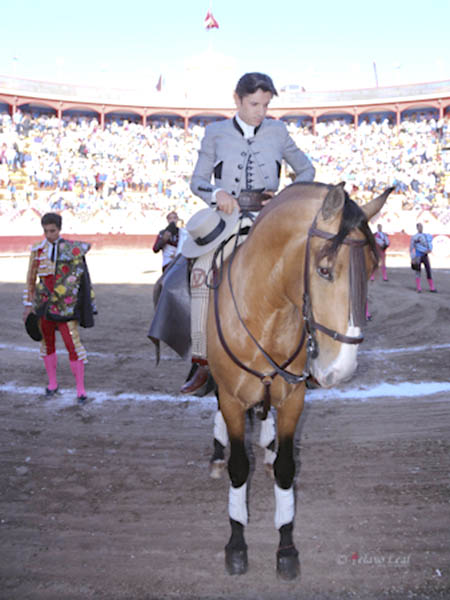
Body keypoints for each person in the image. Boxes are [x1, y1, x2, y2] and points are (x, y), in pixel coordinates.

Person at [180, 72, 315, 395]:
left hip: (270, 220)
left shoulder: (278, 131)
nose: (261, 111)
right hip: (227, 219)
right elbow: (197, 181)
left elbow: (307, 169)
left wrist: (285, 198)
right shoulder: (215, 132)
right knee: (201, 272)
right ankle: (202, 360)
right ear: (237, 99)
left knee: (308, 273)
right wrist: (217, 194)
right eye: (254, 104)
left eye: (266, 105)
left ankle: (311, 356)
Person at [22, 212, 96, 403]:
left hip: (65, 305)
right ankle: (52, 384)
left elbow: (82, 279)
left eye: (52, 231)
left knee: (73, 345)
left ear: (59, 229)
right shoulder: (38, 250)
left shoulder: (72, 249)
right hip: (44, 304)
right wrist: (28, 305)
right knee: (47, 343)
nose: (49, 235)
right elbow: (31, 279)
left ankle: (80, 390)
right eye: (46, 231)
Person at [410, 222, 437, 293]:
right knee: (418, 271)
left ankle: (432, 287)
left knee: (428, 271)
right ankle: (418, 288)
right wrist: (412, 258)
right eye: (419, 227)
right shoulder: (414, 237)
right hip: (417, 256)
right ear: (417, 228)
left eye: (421, 227)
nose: (421, 228)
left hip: (425, 256)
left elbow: (430, 245)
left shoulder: (426, 236)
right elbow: (411, 248)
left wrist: (429, 250)